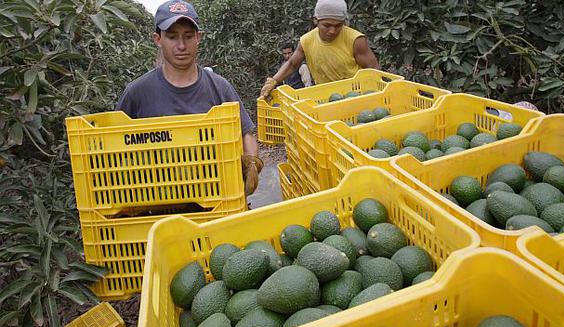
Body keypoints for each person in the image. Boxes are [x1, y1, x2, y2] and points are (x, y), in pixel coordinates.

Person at [116, 0, 263, 195]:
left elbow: (246, 132)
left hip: (215, 197)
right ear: (157, 39)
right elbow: (116, 144)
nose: (181, 45)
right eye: (172, 37)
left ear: (198, 37)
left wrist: (251, 162)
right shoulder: (137, 92)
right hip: (158, 203)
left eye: (188, 36)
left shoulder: (219, 87)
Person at [260, 0, 379, 97]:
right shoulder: (307, 41)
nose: (332, 31)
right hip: (326, 97)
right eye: (327, 25)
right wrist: (273, 81)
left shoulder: (355, 40)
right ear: (316, 20)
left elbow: (374, 69)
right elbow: (292, 64)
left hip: (356, 95)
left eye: (338, 25)